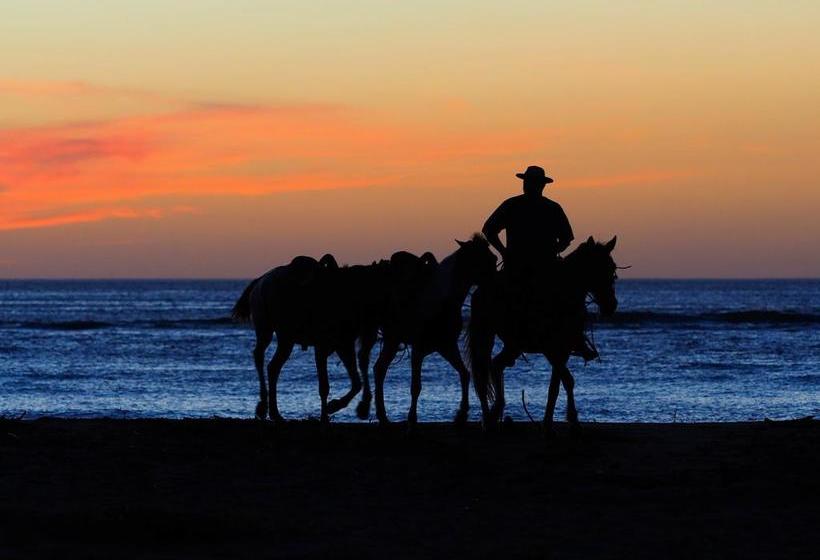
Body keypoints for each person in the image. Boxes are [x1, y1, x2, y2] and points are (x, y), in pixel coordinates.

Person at [482, 165, 597, 360]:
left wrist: (504, 252)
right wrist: (505, 251)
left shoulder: (516, 205)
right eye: (530, 182)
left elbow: (489, 230)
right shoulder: (548, 207)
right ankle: (576, 340)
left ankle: (575, 338)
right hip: (535, 267)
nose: (530, 186)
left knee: (571, 297)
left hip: (529, 265)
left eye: (532, 183)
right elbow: (567, 239)